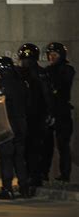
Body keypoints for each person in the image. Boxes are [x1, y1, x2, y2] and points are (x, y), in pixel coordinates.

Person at [16, 43, 53, 188]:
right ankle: (34, 177)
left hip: (27, 117)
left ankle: (29, 177)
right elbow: (48, 95)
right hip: (35, 116)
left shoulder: (20, 74)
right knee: (35, 149)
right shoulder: (40, 73)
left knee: (27, 149)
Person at [0, 57, 29, 199]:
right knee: (19, 157)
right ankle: (24, 187)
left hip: (6, 124)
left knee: (6, 158)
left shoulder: (0, 87)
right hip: (21, 124)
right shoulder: (22, 84)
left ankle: (7, 188)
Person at [42, 42, 75, 183]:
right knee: (47, 145)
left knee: (63, 145)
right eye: (50, 55)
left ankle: (65, 174)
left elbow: (62, 86)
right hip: (50, 110)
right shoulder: (47, 71)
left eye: (54, 55)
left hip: (62, 111)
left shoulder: (67, 69)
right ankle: (44, 173)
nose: (51, 57)